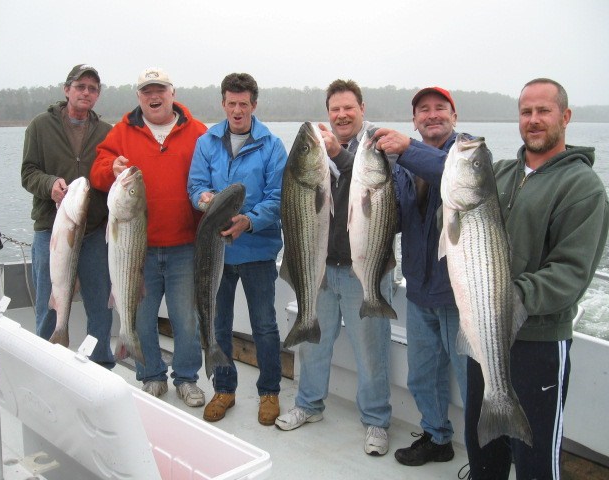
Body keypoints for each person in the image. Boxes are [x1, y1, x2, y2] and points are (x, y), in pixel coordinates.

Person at [463, 78, 609, 479]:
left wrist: (503, 297)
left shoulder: (583, 188)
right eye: (526, 112)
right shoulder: (500, 173)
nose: (534, 120)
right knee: (483, 450)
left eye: (543, 111)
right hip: (483, 336)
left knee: (535, 458)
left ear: (565, 116)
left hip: (538, 343)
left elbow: (570, 274)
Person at [275, 79, 393, 456]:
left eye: (348, 108)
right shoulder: (315, 154)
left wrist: (339, 153)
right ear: (329, 112)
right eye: (334, 109)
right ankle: (308, 405)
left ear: (362, 108)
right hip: (320, 266)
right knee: (313, 345)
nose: (341, 115)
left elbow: (372, 194)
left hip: (366, 270)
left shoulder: (379, 148)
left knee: (371, 352)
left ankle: (376, 421)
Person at [90, 67, 207, 407]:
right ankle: (151, 375)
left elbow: (214, 172)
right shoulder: (121, 133)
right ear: (138, 96)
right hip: (135, 250)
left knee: (187, 319)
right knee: (141, 317)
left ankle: (186, 378)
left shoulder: (198, 132)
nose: (154, 97)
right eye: (146, 92)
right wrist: (110, 170)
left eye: (160, 90)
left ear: (172, 93)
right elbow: (97, 173)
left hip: (185, 246)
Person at [372, 87, 468, 466]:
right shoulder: (403, 168)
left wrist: (408, 148)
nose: (432, 115)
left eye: (439, 108)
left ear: (454, 116)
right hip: (418, 290)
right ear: (414, 120)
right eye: (423, 110)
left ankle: (488, 449)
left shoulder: (469, 154)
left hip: (459, 296)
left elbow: (453, 176)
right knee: (422, 374)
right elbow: (392, 217)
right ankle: (437, 437)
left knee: (469, 376)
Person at [188, 72, 287, 426]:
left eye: (244, 103)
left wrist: (249, 221)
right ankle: (224, 389)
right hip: (216, 254)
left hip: (258, 251)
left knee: (265, 325)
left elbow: (278, 198)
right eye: (231, 103)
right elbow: (196, 184)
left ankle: (269, 391)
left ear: (254, 105)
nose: (237, 110)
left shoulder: (273, 146)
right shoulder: (207, 142)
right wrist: (204, 199)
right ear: (223, 103)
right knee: (219, 322)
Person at [21, 64, 115, 369]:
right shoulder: (39, 126)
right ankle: (47, 365)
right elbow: (28, 173)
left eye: (92, 89)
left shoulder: (106, 132)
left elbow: (108, 177)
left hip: (93, 233)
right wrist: (50, 186)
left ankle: (101, 366)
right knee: (49, 306)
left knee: (100, 306)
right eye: (80, 86)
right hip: (52, 230)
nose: (86, 93)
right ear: (67, 89)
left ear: (97, 95)